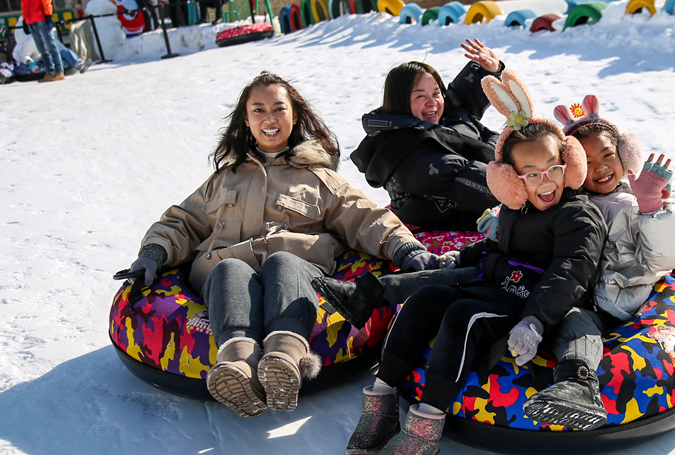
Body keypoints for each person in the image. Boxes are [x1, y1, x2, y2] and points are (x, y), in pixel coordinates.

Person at [127, 72, 441, 419]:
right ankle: (238, 365)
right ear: (246, 120)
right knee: (229, 268)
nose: (270, 118)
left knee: (283, 261)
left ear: (294, 116)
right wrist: (153, 253)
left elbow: (365, 217)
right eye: (259, 110)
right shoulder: (225, 179)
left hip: (295, 270)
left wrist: (406, 249)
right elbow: (183, 222)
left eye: (279, 109)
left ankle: (284, 358)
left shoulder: (317, 178)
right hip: (225, 273)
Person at [345, 70, 607, 455]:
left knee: (463, 314)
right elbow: (497, 247)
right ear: (512, 180)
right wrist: (462, 256)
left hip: (529, 304)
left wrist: (535, 322)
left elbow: (571, 271)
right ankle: (383, 397)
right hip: (497, 286)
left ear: (568, 164)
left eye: (553, 169)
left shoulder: (577, 214)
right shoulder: (517, 209)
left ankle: (426, 425)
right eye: (531, 174)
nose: (545, 183)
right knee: (425, 299)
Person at [519, 95, 675, 430]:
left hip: (613, 303)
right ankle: (672, 215)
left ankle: (579, 385)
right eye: (588, 161)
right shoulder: (571, 201)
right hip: (581, 293)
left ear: (625, 156)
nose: (601, 167)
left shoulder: (628, 205)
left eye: (608, 155)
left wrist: (649, 205)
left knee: (574, 321)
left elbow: (662, 258)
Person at [350, 39, 504, 231]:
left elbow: (459, 102)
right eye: (420, 96)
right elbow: (497, 191)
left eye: (436, 93)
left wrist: (487, 70)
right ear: (401, 103)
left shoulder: (440, 121)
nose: (432, 103)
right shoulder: (410, 150)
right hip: (458, 217)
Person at [20, 0, 63, 82]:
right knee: (41, 49)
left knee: (50, 45)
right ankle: (50, 72)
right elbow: (23, 5)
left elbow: (46, 1)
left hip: (41, 18)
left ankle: (59, 71)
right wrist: (25, 19)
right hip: (30, 20)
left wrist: (48, 15)